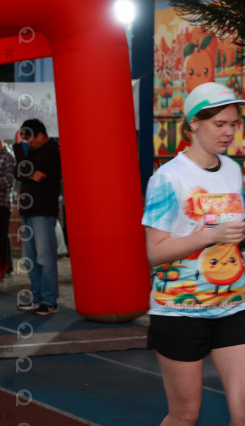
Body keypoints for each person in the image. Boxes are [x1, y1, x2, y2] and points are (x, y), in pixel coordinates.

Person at [143, 82, 245, 426]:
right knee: (185, 415)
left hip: (233, 305)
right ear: (194, 124)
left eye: (233, 123)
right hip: (179, 311)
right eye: (220, 124)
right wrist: (211, 235)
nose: (229, 132)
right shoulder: (168, 178)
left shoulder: (233, 170)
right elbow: (154, 252)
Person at [13, 118, 62, 315]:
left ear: (41, 135)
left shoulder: (51, 150)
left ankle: (49, 300)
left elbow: (22, 169)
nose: (28, 142)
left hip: (43, 211)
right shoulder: (33, 152)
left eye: (30, 138)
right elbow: (18, 171)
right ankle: (37, 296)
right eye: (25, 140)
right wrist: (29, 173)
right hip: (29, 211)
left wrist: (19, 151)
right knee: (29, 258)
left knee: (45, 257)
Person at [0, 139, 15, 276]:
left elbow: (8, 181)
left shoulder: (8, 156)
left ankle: (5, 266)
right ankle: (0, 266)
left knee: (2, 235)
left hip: (2, 203)